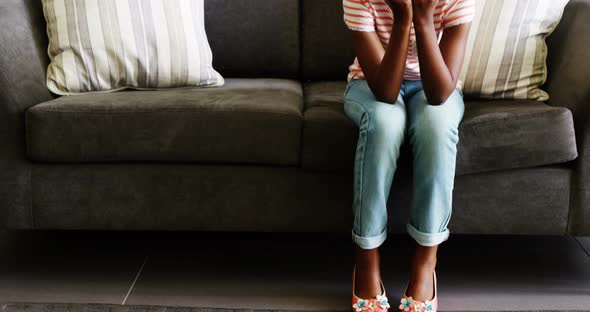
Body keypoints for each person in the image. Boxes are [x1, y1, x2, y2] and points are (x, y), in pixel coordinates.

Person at [343, 0, 475, 311]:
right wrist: (403, 18)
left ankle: (425, 265)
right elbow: (385, 92)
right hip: (371, 82)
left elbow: (441, 93)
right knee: (384, 124)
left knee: (438, 126)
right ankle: (366, 262)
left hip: (435, 82)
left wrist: (424, 17)